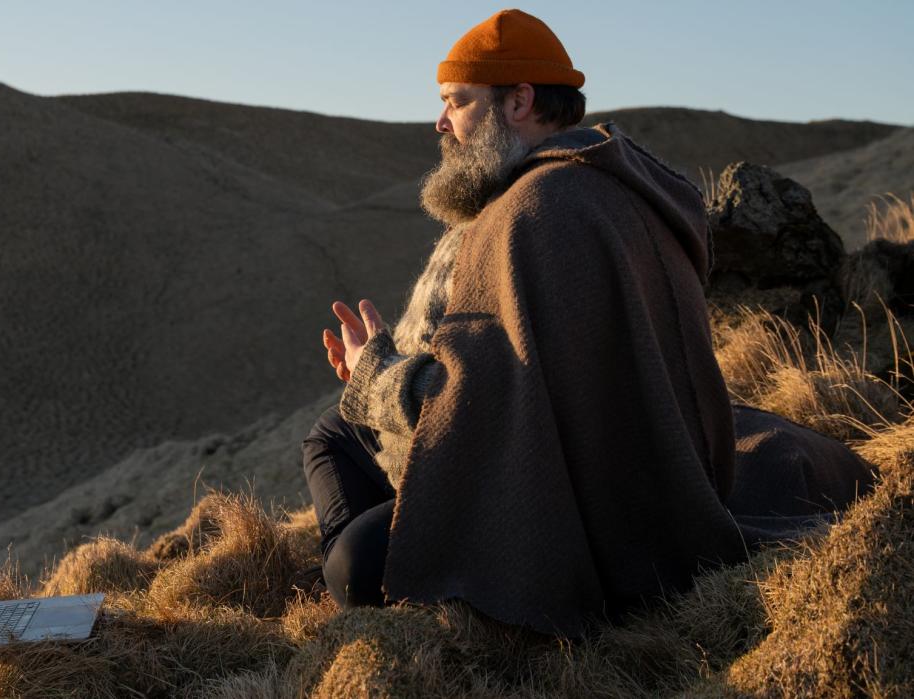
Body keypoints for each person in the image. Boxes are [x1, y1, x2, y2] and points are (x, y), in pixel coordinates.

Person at [301, 8, 876, 636]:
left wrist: (377, 374)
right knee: (333, 429)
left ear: (518, 100)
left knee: (352, 568)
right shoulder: (607, 180)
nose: (441, 123)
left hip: (559, 493)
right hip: (618, 446)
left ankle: (413, 567)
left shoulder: (532, 214)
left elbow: (488, 412)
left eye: (456, 103)